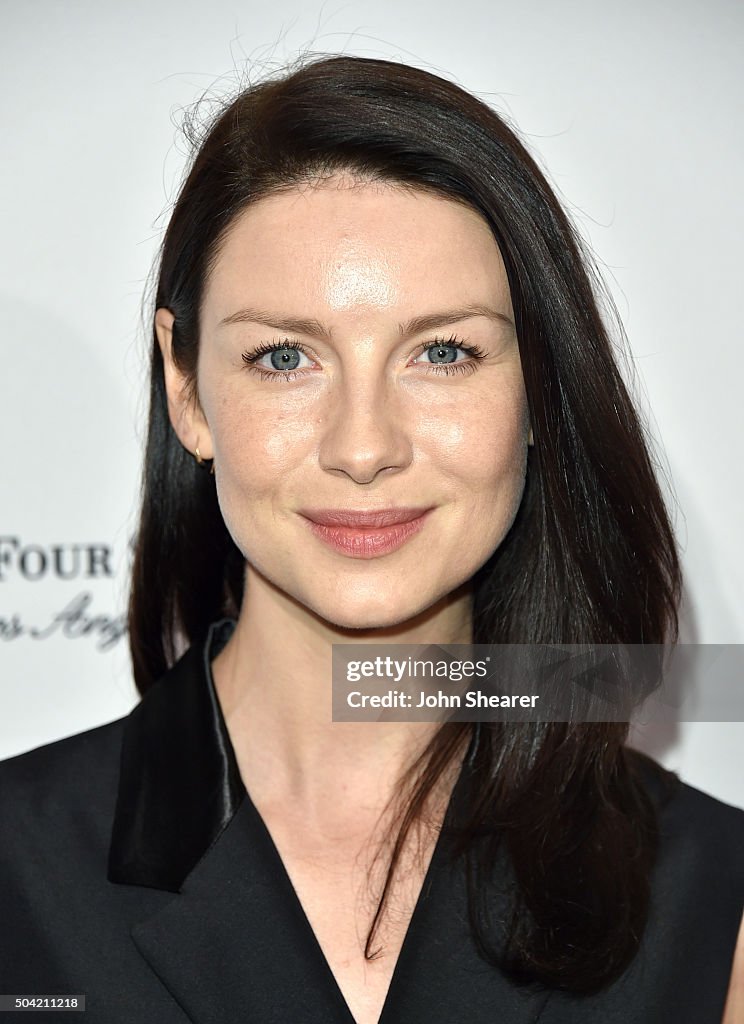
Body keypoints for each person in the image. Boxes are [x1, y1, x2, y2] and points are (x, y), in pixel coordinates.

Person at [0, 54, 742, 1024]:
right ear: (187, 392)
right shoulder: (18, 867)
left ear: (536, 392)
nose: (364, 446)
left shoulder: (711, 898)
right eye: (284, 356)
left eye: (442, 352)